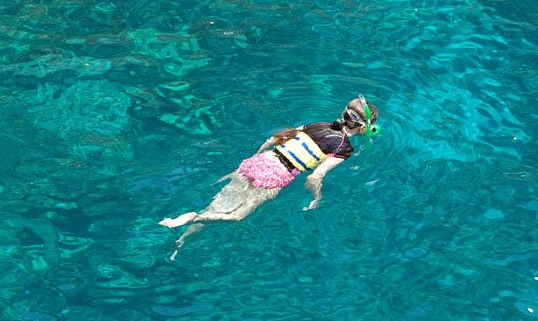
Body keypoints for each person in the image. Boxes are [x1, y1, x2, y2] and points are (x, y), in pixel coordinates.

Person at [159, 96, 379, 258]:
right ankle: (192, 218)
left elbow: (275, 138)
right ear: (363, 127)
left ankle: (181, 241)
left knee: (217, 206)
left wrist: (255, 157)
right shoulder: (344, 148)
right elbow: (314, 178)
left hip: (260, 161)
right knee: (237, 216)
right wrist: (316, 198)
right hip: (275, 176)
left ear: (344, 112)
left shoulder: (318, 125)